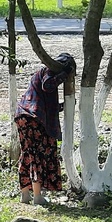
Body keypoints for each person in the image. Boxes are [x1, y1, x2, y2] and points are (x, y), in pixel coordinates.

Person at [14, 53, 76, 205]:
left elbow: (44, 99)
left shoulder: (40, 73)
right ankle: (37, 197)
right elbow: (48, 86)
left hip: (23, 115)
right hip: (34, 118)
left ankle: (25, 194)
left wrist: (61, 106)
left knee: (27, 153)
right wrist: (65, 74)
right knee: (37, 155)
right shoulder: (48, 71)